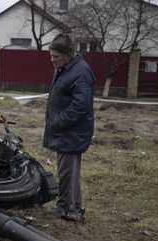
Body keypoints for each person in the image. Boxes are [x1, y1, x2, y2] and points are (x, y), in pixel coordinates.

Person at [43, 33, 95, 222]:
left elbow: (81, 105)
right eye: (51, 56)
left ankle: (67, 209)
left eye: (56, 56)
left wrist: (59, 121)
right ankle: (72, 208)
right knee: (69, 171)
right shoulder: (66, 68)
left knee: (68, 171)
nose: (52, 60)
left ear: (68, 54)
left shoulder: (80, 72)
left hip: (72, 132)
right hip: (66, 131)